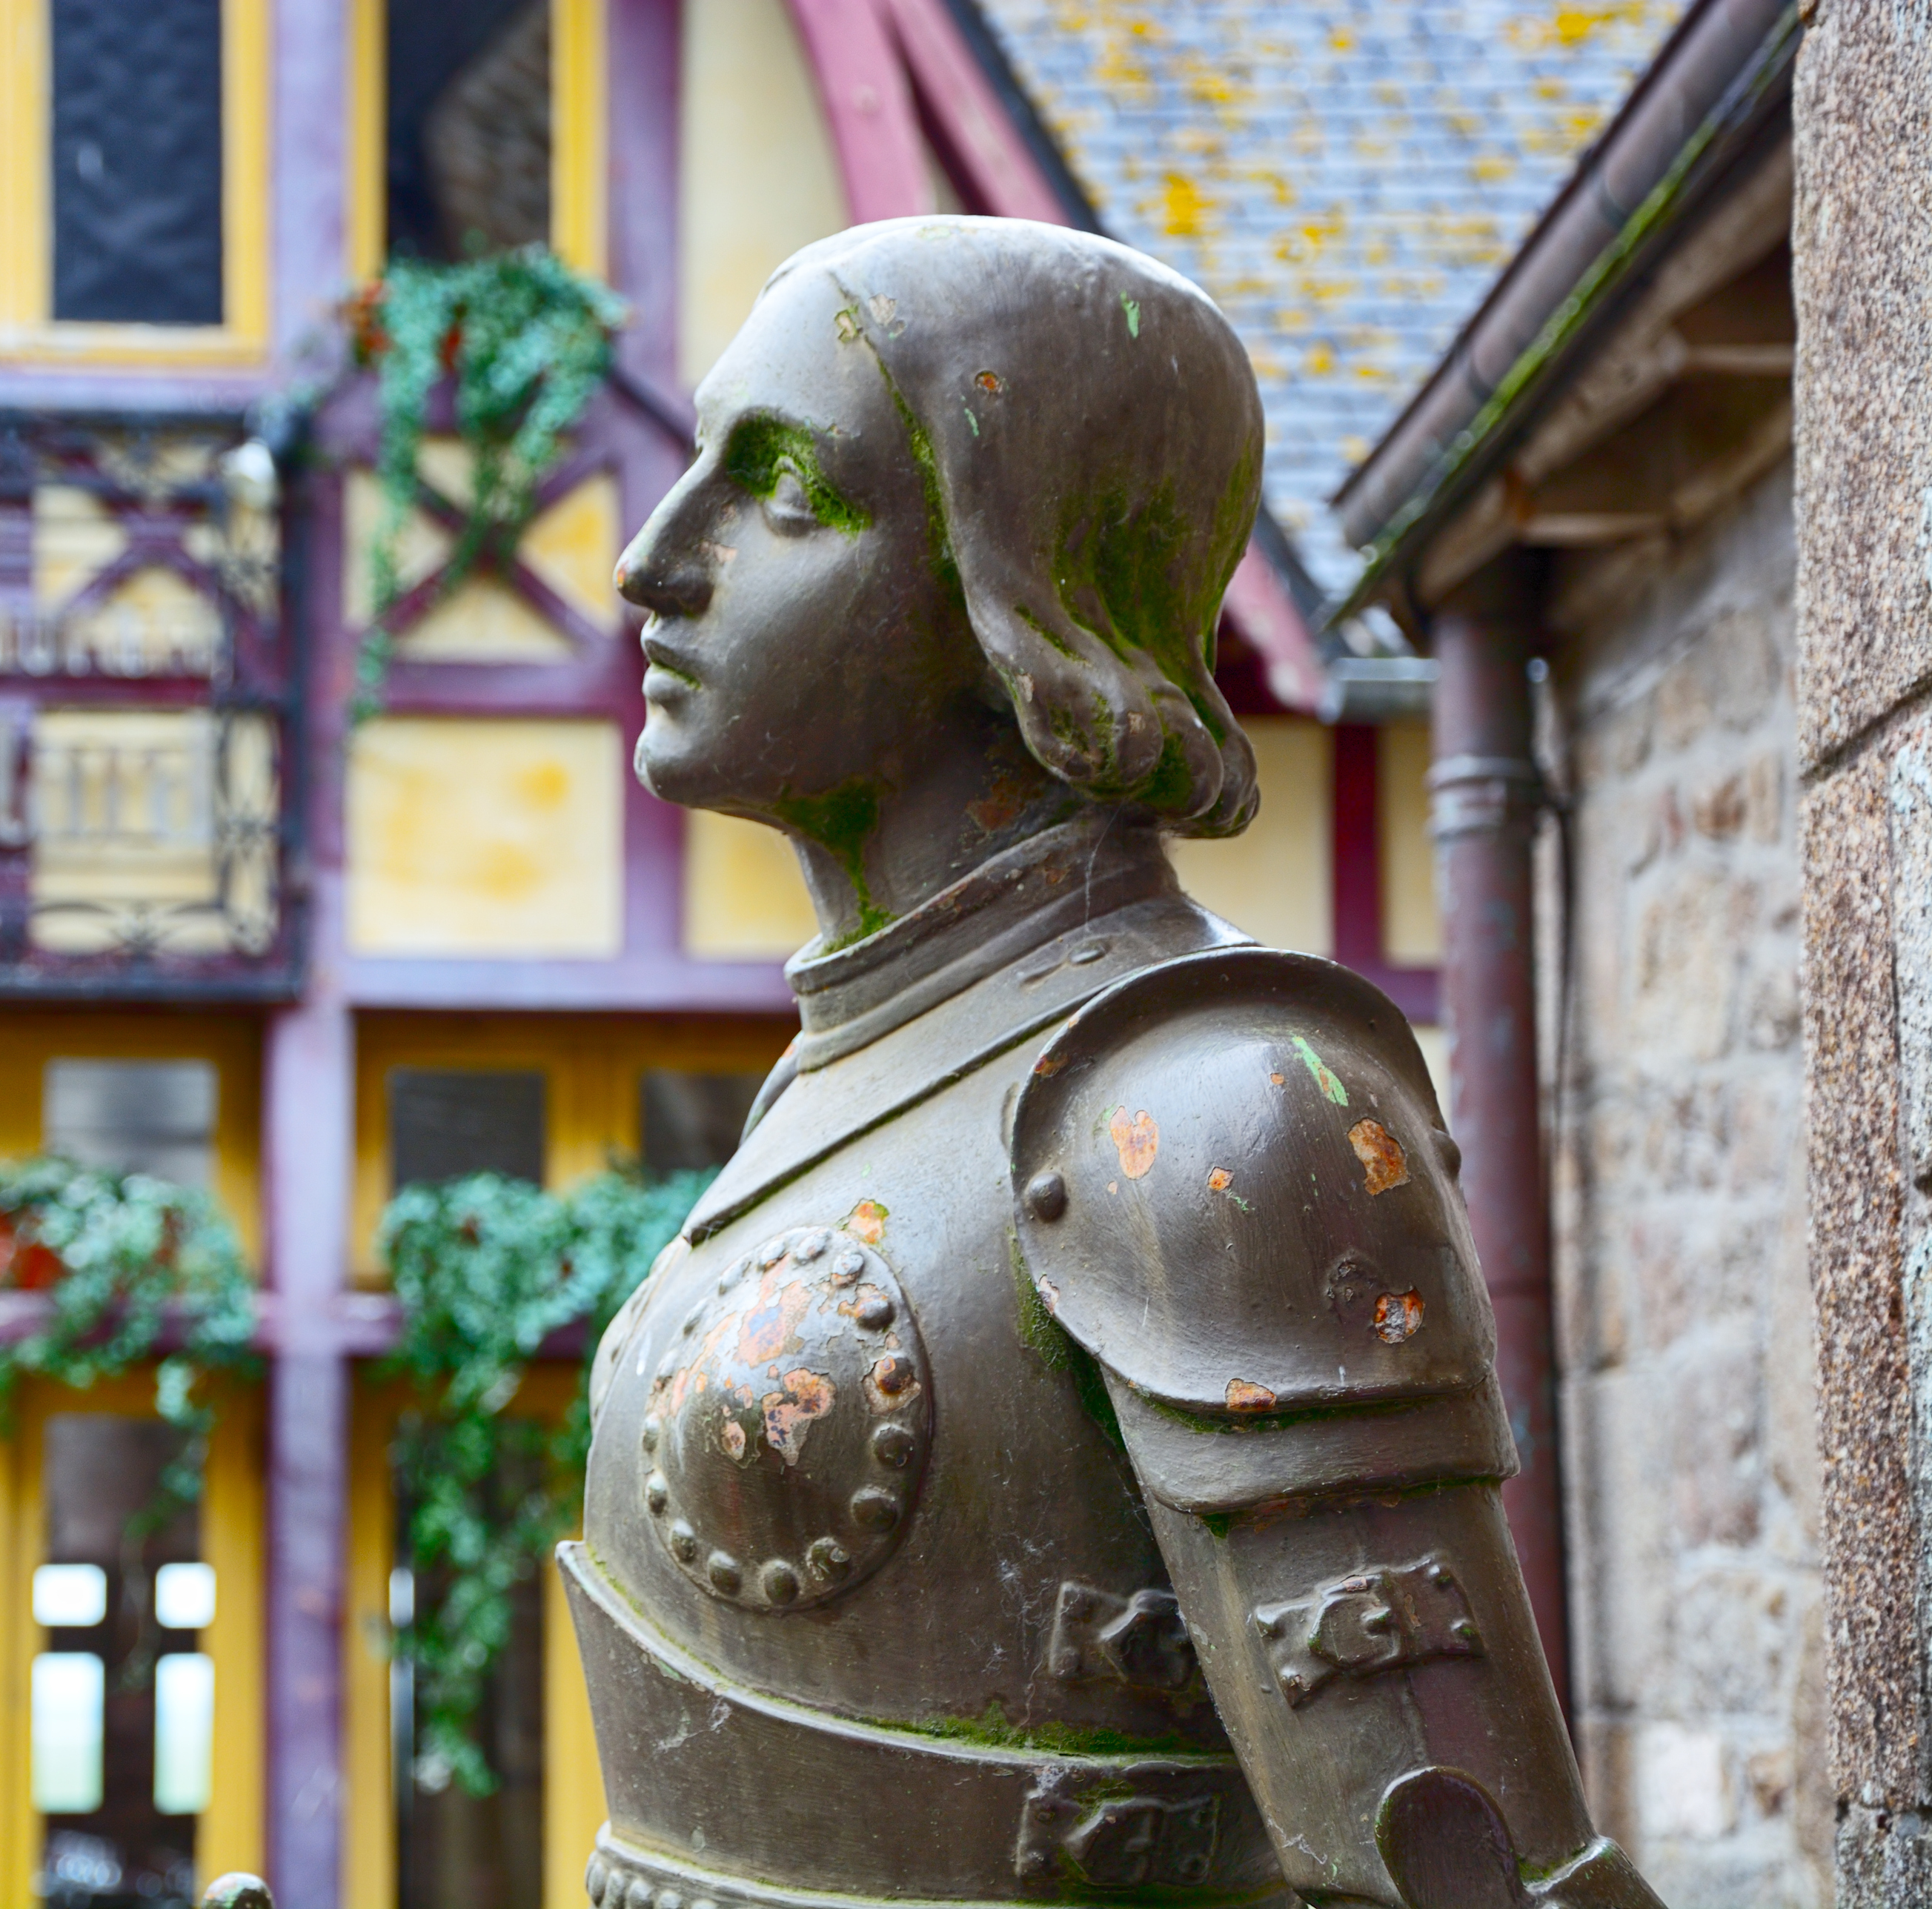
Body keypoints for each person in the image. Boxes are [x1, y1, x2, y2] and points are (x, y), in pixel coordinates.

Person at [565, 217, 1664, 1909]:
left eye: (782, 488)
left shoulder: (1212, 1111)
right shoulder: (853, 1078)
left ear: (1018, 577)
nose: (654, 556)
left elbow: (1457, 1875)